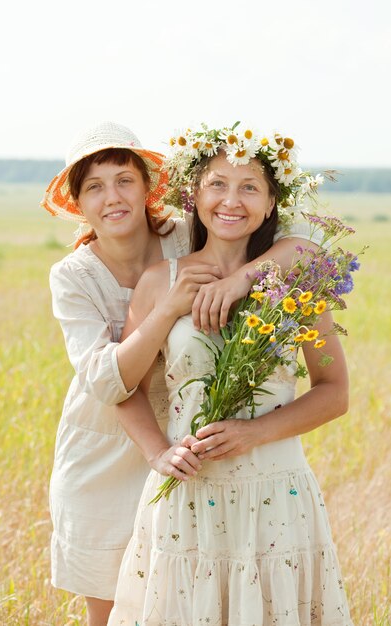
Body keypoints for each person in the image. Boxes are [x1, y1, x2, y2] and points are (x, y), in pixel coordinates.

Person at [41, 121, 323, 626]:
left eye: (125, 180)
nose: (113, 197)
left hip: (188, 439)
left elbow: (301, 249)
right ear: (78, 204)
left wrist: (240, 278)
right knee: (120, 607)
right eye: (95, 187)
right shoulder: (73, 276)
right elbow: (109, 383)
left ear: (149, 189)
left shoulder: (183, 238)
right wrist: (168, 307)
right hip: (108, 445)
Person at [108, 124, 353, 625]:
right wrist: (158, 451)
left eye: (249, 187)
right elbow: (122, 386)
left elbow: (334, 393)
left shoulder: (298, 280)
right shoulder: (161, 283)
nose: (231, 200)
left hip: (277, 497)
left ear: (269, 204)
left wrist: (253, 432)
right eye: (218, 183)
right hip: (189, 494)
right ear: (195, 195)